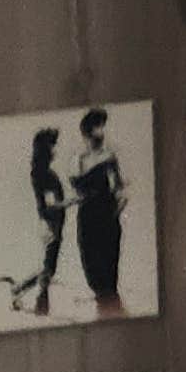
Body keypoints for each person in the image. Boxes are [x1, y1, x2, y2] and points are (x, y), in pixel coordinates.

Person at [70, 107, 128, 317]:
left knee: (109, 271)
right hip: (88, 218)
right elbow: (76, 189)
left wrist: (117, 209)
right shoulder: (78, 159)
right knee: (93, 271)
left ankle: (113, 314)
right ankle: (104, 314)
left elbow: (120, 187)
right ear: (86, 133)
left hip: (107, 217)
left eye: (101, 128)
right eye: (96, 128)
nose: (100, 133)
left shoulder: (110, 156)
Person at [27, 125, 68, 315]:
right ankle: (41, 305)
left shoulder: (40, 173)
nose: (54, 150)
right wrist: (72, 201)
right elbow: (48, 205)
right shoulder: (44, 175)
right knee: (49, 266)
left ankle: (25, 292)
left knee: (48, 265)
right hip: (51, 223)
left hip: (52, 222)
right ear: (45, 150)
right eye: (52, 146)